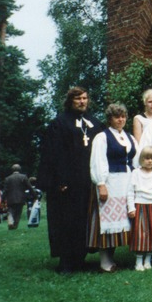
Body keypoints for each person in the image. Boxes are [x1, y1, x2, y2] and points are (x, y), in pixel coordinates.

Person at [39, 87, 104, 273]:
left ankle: (80, 257)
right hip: (67, 183)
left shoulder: (94, 123)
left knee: (84, 220)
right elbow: (54, 154)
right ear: (70, 101)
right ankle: (66, 262)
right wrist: (60, 180)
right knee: (66, 221)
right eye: (78, 98)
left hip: (87, 182)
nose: (82, 101)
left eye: (85, 98)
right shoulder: (60, 123)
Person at [88, 103, 136, 272]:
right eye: (117, 117)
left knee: (121, 220)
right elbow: (98, 161)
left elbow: (134, 161)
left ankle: (112, 257)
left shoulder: (130, 137)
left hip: (127, 182)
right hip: (111, 182)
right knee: (108, 221)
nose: (120, 120)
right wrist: (101, 184)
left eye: (123, 116)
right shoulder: (102, 137)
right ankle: (104, 260)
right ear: (110, 119)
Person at [127, 147, 152, 271]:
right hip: (140, 204)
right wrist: (131, 208)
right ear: (141, 159)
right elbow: (130, 191)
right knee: (141, 233)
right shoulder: (136, 173)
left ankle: (148, 260)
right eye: (147, 158)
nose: (150, 161)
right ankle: (138, 261)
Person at [3, 164, 34, 230]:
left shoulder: (8, 178)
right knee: (18, 213)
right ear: (20, 169)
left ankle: (10, 222)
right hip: (21, 198)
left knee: (10, 212)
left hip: (10, 199)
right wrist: (35, 196)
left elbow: (5, 190)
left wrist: (2, 199)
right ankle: (15, 225)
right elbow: (30, 187)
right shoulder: (23, 177)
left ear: (12, 170)